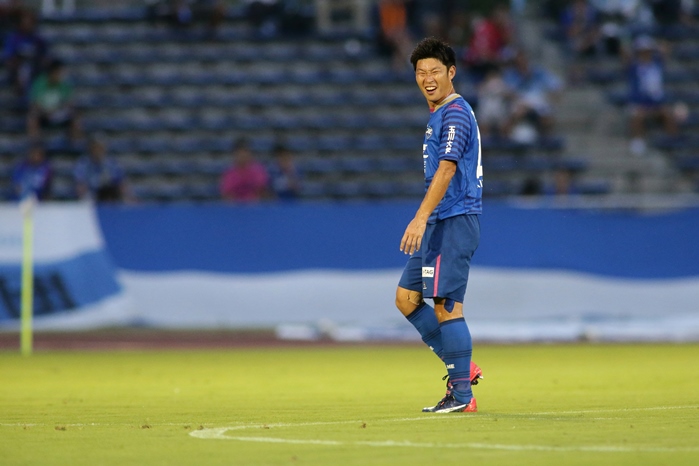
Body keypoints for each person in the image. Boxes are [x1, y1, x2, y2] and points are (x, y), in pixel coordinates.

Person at [396, 37, 484, 414]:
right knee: (407, 298)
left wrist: (419, 217)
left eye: (435, 71)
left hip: (455, 219)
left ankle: (462, 395)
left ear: (452, 72)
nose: (428, 78)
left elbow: (447, 170)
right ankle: (462, 366)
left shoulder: (456, 114)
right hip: (439, 223)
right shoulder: (440, 114)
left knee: (447, 307)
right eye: (421, 72)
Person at [625, 35, 677, 155]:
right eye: (643, 51)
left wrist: (658, 47)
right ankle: (638, 141)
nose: (645, 54)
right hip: (639, 103)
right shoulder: (634, 67)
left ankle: (672, 141)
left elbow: (666, 47)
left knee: (668, 114)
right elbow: (624, 53)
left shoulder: (657, 64)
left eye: (648, 51)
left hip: (656, 103)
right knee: (637, 115)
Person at [26, 58, 82, 143]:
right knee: (32, 117)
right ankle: (35, 143)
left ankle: (75, 143)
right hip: (44, 114)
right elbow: (35, 103)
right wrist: (46, 112)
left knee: (76, 117)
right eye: (60, 72)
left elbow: (69, 102)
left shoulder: (64, 84)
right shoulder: (40, 83)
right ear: (53, 72)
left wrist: (58, 110)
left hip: (58, 113)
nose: (61, 75)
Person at [2, 8, 48, 95]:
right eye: (25, 21)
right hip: (18, 67)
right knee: (23, 69)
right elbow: (9, 56)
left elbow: (44, 55)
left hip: (35, 66)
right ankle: (20, 89)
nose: (27, 24)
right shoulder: (13, 38)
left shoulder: (38, 39)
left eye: (30, 22)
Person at [73, 136, 129, 202]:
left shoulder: (112, 164)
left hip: (109, 196)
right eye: (96, 148)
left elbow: (121, 182)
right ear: (91, 149)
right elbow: (80, 184)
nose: (98, 151)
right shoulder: (83, 164)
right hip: (90, 196)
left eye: (100, 148)